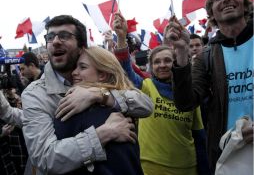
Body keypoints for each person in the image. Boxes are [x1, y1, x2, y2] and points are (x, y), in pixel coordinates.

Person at [20, 15, 153, 175]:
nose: (55, 41)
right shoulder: (35, 94)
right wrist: (104, 133)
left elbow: (146, 106)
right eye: (50, 37)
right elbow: (45, 158)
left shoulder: (99, 87)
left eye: (64, 36)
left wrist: (99, 95)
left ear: (82, 47)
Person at [166, 0, 253, 173]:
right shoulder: (206, 56)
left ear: (245, 6)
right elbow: (185, 103)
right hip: (229, 154)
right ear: (212, 13)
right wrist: (181, 52)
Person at [113, 12, 209, 175]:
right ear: (151, 67)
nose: (162, 65)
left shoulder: (191, 94)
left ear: (176, 62)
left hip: (188, 167)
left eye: (167, 60)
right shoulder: (146, 87)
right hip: (151, 166)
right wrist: (121, 38)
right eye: (157, 62)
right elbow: (125, 69)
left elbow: (200, 138)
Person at [54, 46, 151, 174]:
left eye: (82, 67)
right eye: (76, 67)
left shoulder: (80, 109)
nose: (74, 72)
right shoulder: (74, 104)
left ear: (102, 75)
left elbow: (147, 106)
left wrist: (98, 95)